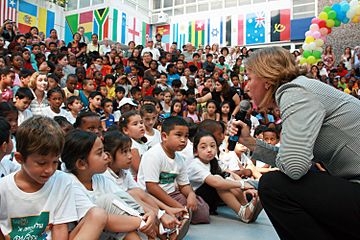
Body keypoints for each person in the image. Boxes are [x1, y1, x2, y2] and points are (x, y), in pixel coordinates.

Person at [230, 46, 360, 239]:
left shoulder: (294, 92)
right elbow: (295, 162)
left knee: (273, 185)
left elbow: (294, 167)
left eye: (250, 78)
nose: (246, 87)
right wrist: (250, 142)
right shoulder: (305, 88)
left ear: (267, 80)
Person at [0, 116, 107, 239]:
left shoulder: (62, 181)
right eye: (41, 163)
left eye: (55, 162)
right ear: (20, 159)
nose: (49, 170)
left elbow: (60, 227)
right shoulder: (3, 188)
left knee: (97, 214)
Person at [137, 117, 210, 224]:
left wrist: (191, 195)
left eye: (186, 136)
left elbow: (184, 185)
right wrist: (176, 205)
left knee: (202, 212)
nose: (183, 140)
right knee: (174, 212)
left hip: (173, 194)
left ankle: (179, 216)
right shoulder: (153, 155)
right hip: (152, 196)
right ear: (164, 136)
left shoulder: (180, 159)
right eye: (178, 135)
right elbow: (151, 187)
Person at [187, 130, 261, 222]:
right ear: (196, 151)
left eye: (212, 146)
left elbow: (230, 173)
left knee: (228, 179)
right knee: (220, 181)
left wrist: (246, 187)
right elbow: (216, 182)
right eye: (203, 147)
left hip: (212, 197)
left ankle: (246, 207)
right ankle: (243, 213)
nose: (209, 150)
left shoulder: (214, 161)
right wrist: (242, 184)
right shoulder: (195, 165)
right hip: (198, 198)